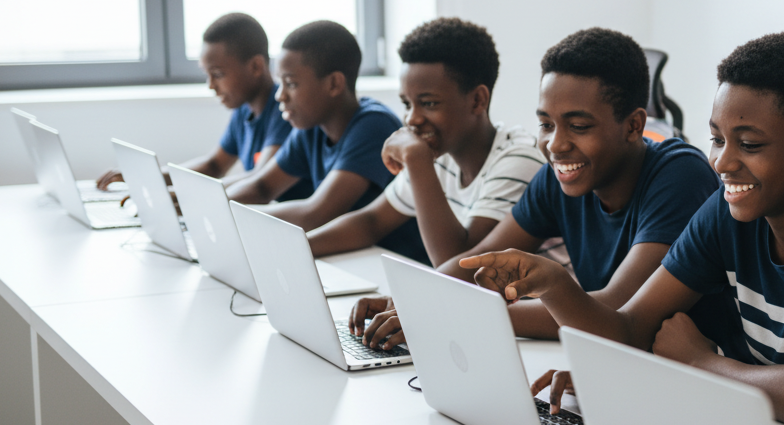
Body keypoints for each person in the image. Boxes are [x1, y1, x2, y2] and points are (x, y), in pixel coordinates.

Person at [458, 33, 784, 425]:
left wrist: (696, 362)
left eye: (749, 144)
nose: (723, 162)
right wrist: (555, 286)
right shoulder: (726, 214)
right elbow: (628, 330)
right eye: (717, 138)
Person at [348, 27, 722, 349]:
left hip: (685, 377)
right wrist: (412, 298)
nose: (555, 144)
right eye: (546, 124)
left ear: (633, 126)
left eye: (578, 125)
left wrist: (452, 313)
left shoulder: (679, 173)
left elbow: (613, 309)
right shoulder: (558, 177)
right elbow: (475, 258)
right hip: (609, 363)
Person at [308, 18, 545, 263]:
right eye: (407, 104)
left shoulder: (519, 160)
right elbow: (371, 222)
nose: (412, 119)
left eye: (429, 103)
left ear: (477, 100)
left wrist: (417, 161)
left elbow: (459, 267)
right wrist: (299, 248)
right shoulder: (442, 154)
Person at [95, 12, 307, 198]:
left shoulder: (286, 112)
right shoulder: (243, 110)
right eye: (207, 75)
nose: (211, 86)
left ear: (255, 66)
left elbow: (259, 178)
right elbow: (213, 165)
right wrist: (147, 178)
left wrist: (185, 196)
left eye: (218, 74)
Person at [226, 20, 402, 237]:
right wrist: (215, 205)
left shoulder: (374, 125)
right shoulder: (311, 127)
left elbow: (316, 214)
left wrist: (232, 218)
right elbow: (262, 186)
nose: (280, 95)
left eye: (290, 84)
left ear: (334, 84)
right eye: (280, 83)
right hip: (345, 254)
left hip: (388, 260)